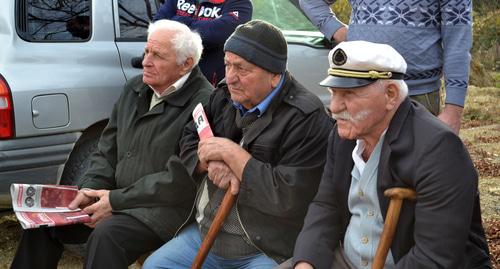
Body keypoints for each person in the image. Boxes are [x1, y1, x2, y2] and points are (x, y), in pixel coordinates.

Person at [11, 20, 213, 269]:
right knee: (44, 222)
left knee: (107, 237)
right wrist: (90, 190)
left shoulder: (204, 103)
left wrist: (115, 202)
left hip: (163, 211)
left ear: (186, 64)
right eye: (147, 51)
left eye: (158, 55)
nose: (146, 61)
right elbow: (106, 150)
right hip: (114, 197)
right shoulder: (135, 87)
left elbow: (179, 179)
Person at [142, 20, 333, 269]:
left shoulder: (306, 118)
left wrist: (236, 158)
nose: (230, 77)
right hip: (205, 234)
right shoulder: (223, 95)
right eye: (228, 65)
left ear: (275, 76)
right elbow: (190, 136)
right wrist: (208, 161)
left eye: (242, 69)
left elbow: (290, 196)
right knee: (154, 266)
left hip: (264, 247)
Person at [289, 41, 492, 268]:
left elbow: (435, 257)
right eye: (333, 92)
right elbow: (326, 205)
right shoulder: (344, 135)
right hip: (347, 259)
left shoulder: (439, 148)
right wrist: (306, 262)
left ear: (390, 95)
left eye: (349, 93)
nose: (334, 107)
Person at [299, 0, 472, 134]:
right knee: (360, 166)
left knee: (415, 170)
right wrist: (336, 30)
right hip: (359, 88)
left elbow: (458, 43)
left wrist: (453, 112)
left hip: (417, 95)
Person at [154, 0, 253, 85]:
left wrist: (176, 21)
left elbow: (218, 33)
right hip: (171, 79)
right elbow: (157, 25)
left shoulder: (240, 3)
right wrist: (200, 27)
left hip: (210, 84)